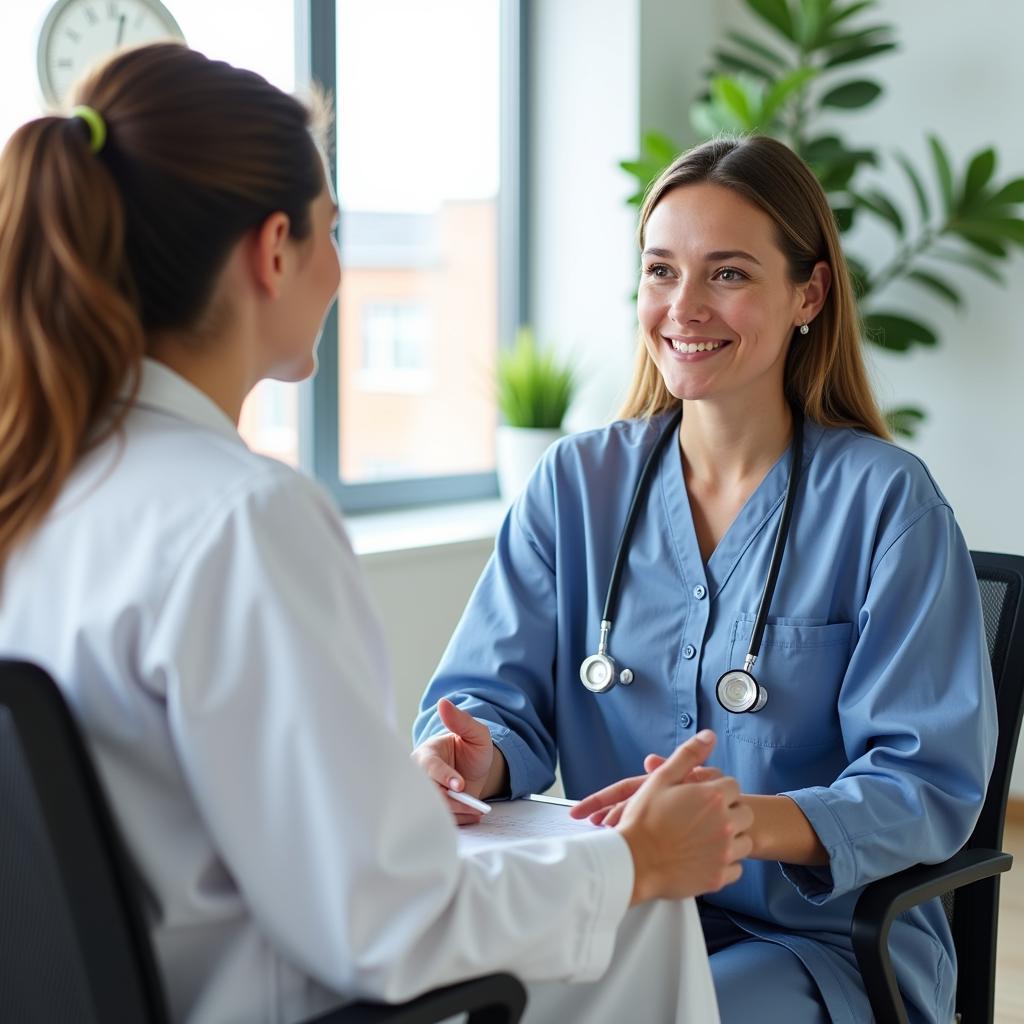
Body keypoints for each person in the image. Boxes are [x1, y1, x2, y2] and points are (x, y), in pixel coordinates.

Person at [0, 42, 755, 1024]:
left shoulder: (41, 489)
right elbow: (385, 924)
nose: (340, 267)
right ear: (273, 251)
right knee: (637, 916)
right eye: (332, 230)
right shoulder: (241, 519)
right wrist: (636, 858)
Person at [414, 135, 998, 1023]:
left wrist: (746, 822)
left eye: (727, 274)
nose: (683, 307)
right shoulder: (576, 486)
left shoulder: (887, 504)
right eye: (660, 271)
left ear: (808, 293)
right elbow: (490, 700)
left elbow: (925, 784)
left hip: (816, 946)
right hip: (618, 908)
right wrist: (472, 756)